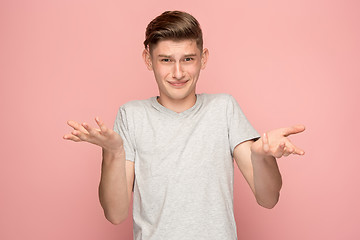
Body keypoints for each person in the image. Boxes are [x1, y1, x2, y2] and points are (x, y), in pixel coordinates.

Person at [63, 10, 305, 240]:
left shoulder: (224, 109)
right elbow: (115, 214)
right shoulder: (131, 115)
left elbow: (268, 198)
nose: (178, 72)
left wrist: (263, 156)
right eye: (166, 60)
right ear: (148, 60)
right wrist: (113, 153)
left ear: (203, 58)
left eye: (188, 59)